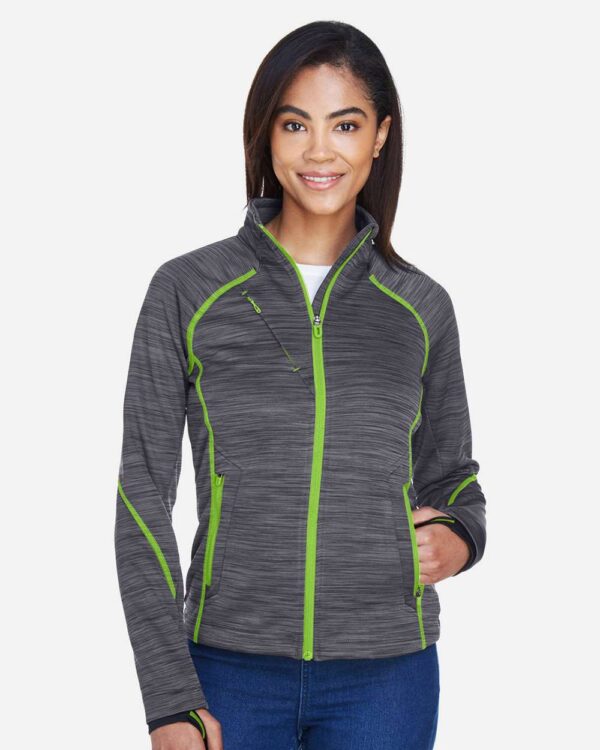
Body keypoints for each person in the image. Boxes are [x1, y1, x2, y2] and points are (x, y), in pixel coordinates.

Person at [114, 19, 486, 750]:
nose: (319, 151)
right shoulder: (188, 290)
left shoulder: (420, 307)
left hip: (387, 679)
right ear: (266, 135)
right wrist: (168, 698)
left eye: (345, 125)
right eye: (295, 124)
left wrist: (460, 537)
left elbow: (455, 480)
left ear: (380, 136)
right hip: (227, 669)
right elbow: (142, 496)